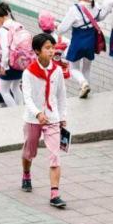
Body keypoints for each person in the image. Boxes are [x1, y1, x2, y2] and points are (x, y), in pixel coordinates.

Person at [21, 33, 68, 209]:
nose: (51, 51)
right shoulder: (28, 73)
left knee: (55, 156)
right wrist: (38, 113)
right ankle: (26, 174)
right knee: (29, 151)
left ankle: (55, 193)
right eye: (47, 48)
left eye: (52, 47)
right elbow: (27, 98)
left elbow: (61, 95)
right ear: (37, 51)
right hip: (33, 119)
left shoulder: (57, 71)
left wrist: (62, 116)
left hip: (52, 118)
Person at [57, 0, 103, 99]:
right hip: (91, 40)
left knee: (73, 68)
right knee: (87, 67)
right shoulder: (96, 6)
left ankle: (83, 84)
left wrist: (57, 27)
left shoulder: (75, 9)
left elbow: (62, 29)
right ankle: (85, 88)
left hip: (78, 41)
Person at [0, 2, 26, 107]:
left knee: (4, 90)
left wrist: (3, 66)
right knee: (15, 87)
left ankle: (14, 110)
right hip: (21, 61)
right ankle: (21, 108)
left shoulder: (3, 30)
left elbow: (5, 50)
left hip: (10, 63)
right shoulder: (19, 25)